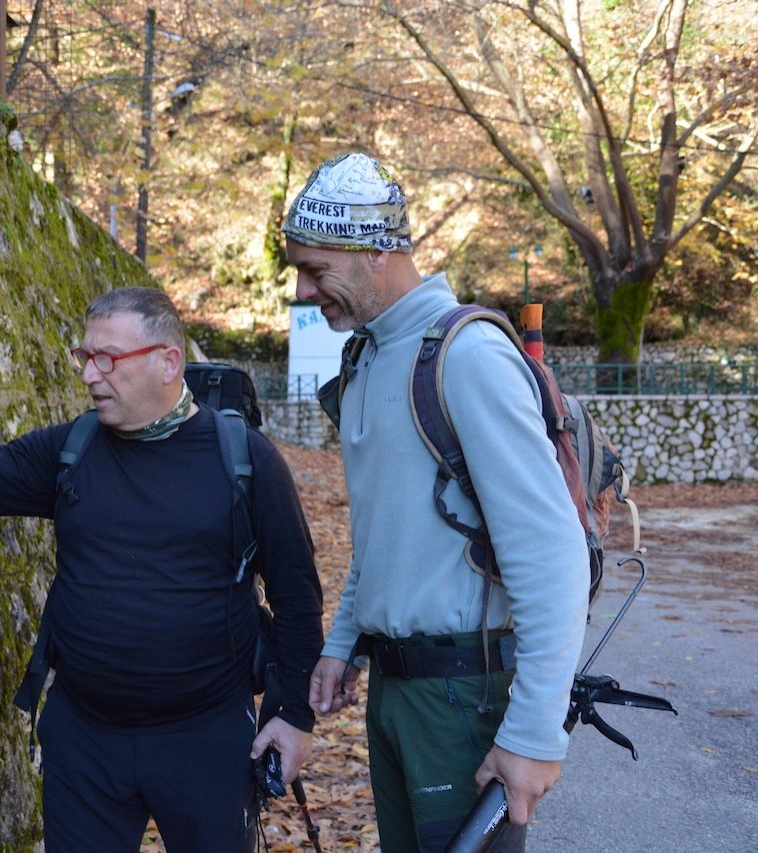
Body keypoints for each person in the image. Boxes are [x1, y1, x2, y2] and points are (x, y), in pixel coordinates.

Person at [0, 287, 324, 852]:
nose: (89, 375)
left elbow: (296, 595)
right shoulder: (73, 449)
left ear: (167, 362)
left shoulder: (245, 461)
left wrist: (293, 716)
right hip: (85, 743)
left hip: (205, 739)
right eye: (84, 357)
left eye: (107, 359)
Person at [286, 152, 589, 851]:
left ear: (377, 253)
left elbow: (551, 555)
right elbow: (386, 536)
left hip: (465, 695)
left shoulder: (467, 356)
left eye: (317, 268)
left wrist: (534, 734)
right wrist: (342, 645)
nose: (305, 290)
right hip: (398, 694)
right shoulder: (365, 360)